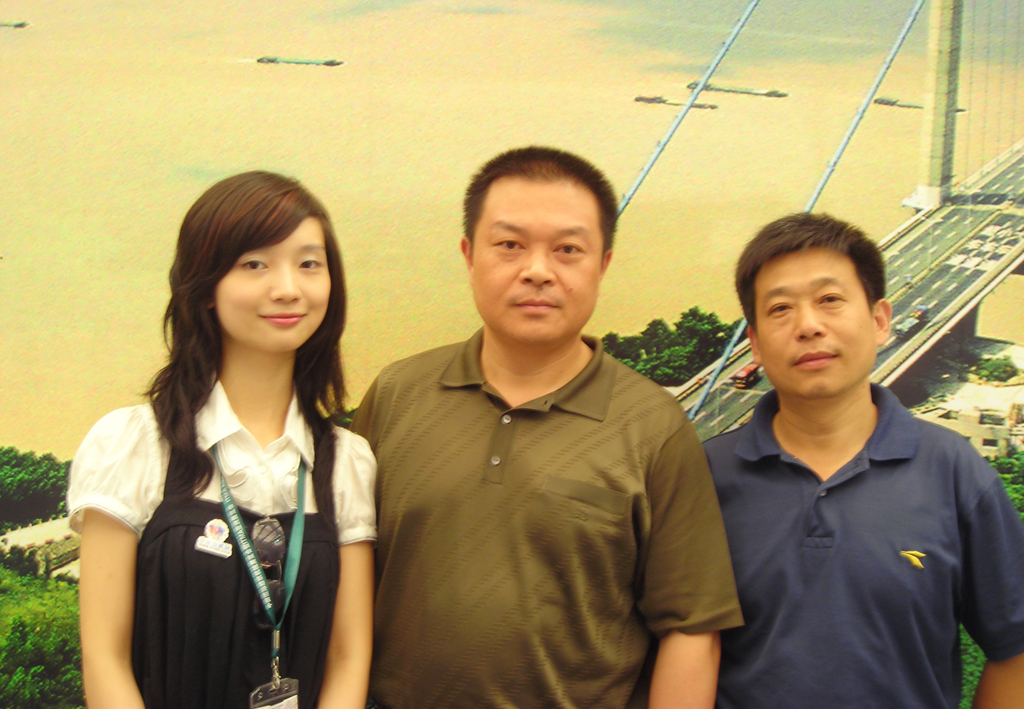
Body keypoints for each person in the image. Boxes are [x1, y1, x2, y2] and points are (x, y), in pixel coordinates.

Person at [352, 146, 743, 709]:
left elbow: (691, 626)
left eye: (568, 250)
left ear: (602, 265)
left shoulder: (653, 425)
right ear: (469, 254)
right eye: (509, 245)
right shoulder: (397, 394)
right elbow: (343, 584)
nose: (537, 270)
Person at [69, 171, 376, 709]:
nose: (288, 287)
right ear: (204, 285)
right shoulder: (133, 444)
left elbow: (348, 657)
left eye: (309, 264)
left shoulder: (347, 462)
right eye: (254, 264)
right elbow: (103, 657)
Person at [703, 212, 1024, 708]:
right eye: (781, 309)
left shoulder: (955, 472)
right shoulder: (703, 477)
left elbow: (1014, 648)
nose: (808, 326)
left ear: (879, 321)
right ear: (756, 343)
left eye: (830, 300)